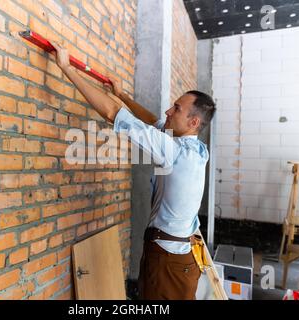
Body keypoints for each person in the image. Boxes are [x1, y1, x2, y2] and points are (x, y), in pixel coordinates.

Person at [51, 43, 216, 300]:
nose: (168, 111)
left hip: (168, 260)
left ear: (194, 122)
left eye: (176, 108)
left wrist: (66, 68)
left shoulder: (175, 151)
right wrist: (123, 94)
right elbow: (153, 121)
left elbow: (110, 113)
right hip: (175, 255)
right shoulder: (197, 150)